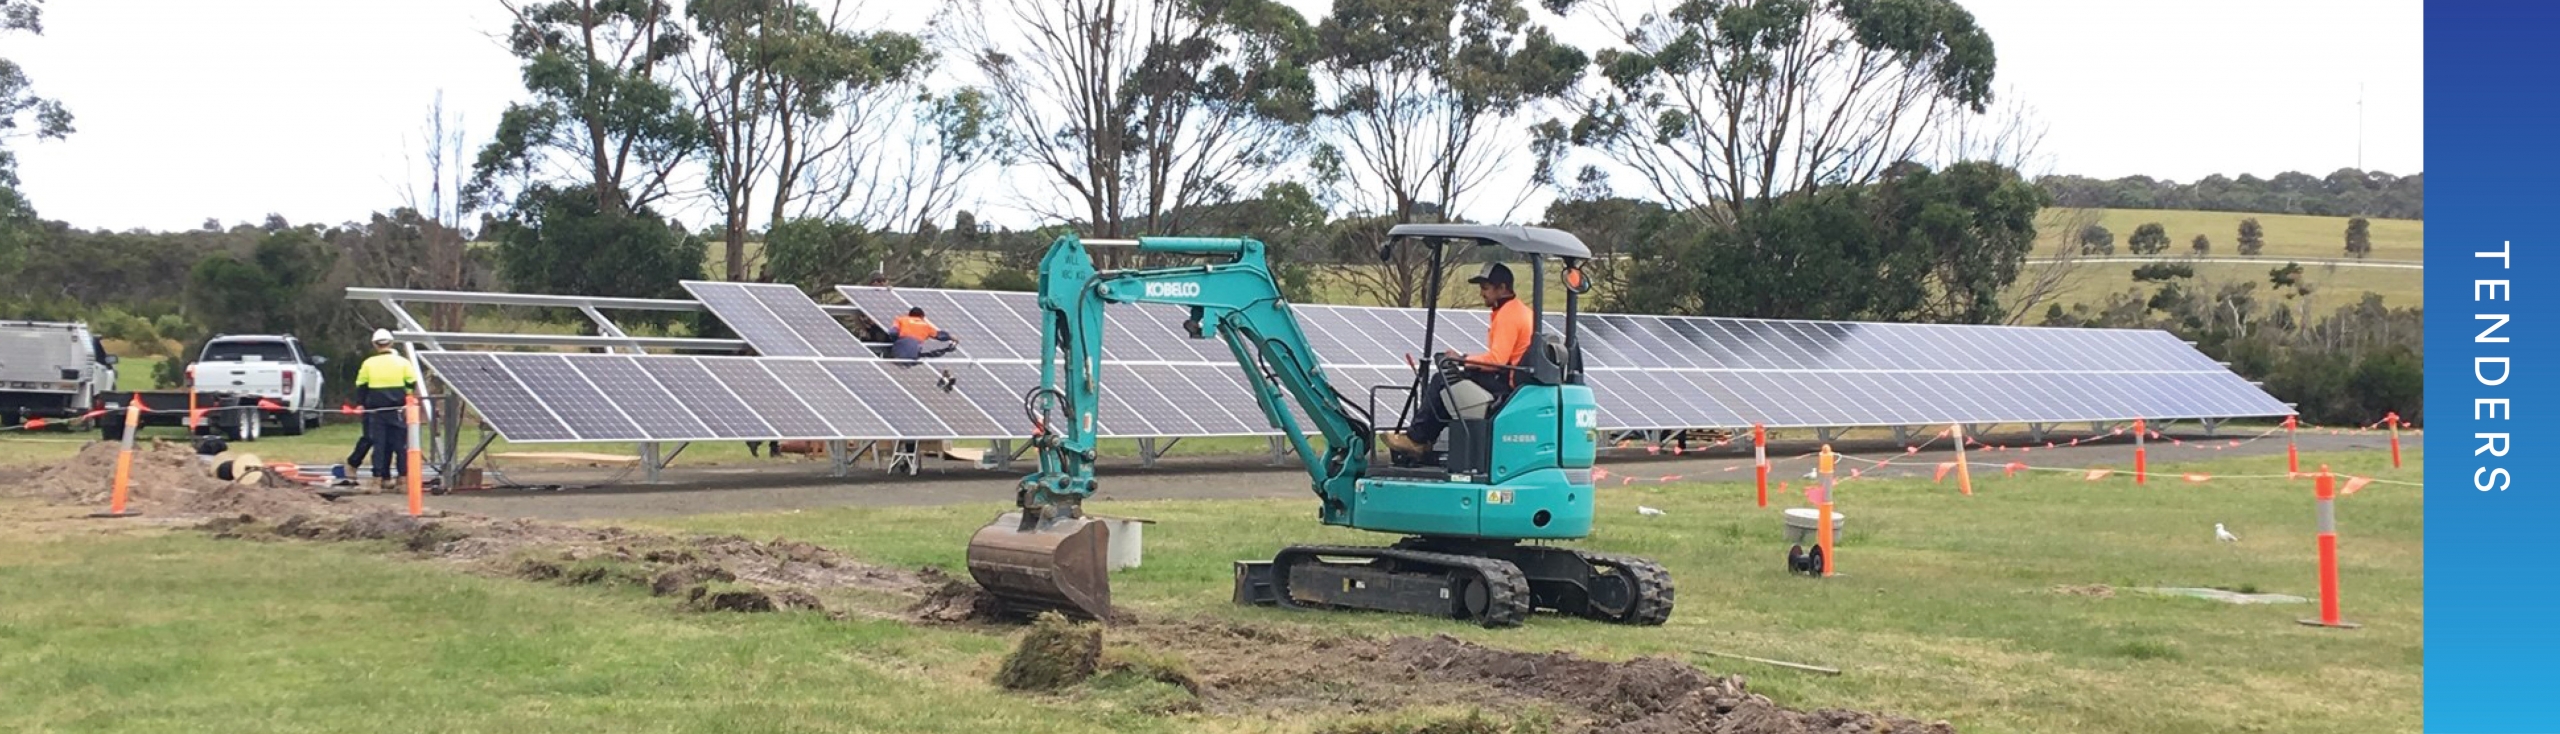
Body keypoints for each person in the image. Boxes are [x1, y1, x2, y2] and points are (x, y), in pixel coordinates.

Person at [1385, 262, 1533, 457]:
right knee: (1453, 384)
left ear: (1502, 288)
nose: (1482, 293)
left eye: (1486, 288)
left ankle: (1417, 439)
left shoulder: (1509, 315)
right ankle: (1429, 441)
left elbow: (1497, 358)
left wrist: (1461, 359)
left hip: (1506, 383)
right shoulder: (1519, 310)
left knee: (1443, 380)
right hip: (1511, 378)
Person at [352, 329, 423, 491]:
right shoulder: (403, 362)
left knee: (379, 446)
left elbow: (361, 385)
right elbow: (411, 383)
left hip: (376, 411)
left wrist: (361, 403)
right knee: (400, 446)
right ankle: (403, 481)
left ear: (375, 345)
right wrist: (407, 398)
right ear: (391, 343)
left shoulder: (369, 363)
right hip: (398, 410)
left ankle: (377, 480)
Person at [890, 307, 958, 360]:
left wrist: (896, 340)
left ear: (909, 314)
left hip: (898, 348)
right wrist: (951, 337)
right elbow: (939, 336)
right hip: (914, 351)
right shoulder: (925, 326)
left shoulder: (900, 320)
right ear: (922, 316)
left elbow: (893, 332)